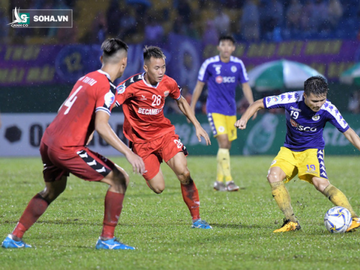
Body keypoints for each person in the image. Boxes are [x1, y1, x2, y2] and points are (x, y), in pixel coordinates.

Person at [1, 38, 145, 249]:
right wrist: (128, 153)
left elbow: (65, 108)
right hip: (66, 148)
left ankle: (14, 237)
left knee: (53, 190)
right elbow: (103, 125)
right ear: (124, 63)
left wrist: (84, 133)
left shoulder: (86, 78)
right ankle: (107, 240)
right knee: (119, 179)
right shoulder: (107, 87)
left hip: (48, 142)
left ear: (101, 58)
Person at [235, 76, 360, 232]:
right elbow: (258, 103)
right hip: (289, 149)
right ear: (305, 95)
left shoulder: (328, 108)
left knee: (320, 184)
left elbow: (349, 133)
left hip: (312, 151)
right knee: (273, 177)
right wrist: (244, 119)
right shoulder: (290, 99)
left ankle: (354, 218)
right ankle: (291, 222)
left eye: (322, 100)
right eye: (315, 101)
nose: (319, 104)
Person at [115, 46, 212, 229]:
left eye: (163, 67)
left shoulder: (168, 83)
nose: (160, 72)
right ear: (145, 68)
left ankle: (197, 219)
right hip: (141, 143)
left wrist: (197, 125)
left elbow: (181, 100)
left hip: (164, 134)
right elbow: (107, 105)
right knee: (158, 188)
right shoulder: (130, 86)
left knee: (184, 172)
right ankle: (151, 167)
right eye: (156, 68)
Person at [190, 35, 256, 192]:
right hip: (214, 110)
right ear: (218, 47)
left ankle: (219, 182)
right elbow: (199, 85)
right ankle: (229, 181)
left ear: (233, 48)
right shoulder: (210, 64)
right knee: (224, 142)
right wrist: (191, 107)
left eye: (229, 45)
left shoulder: (238, 64)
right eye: (223, 45)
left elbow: (245, 86)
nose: (226, 48)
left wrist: (252, 106)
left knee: (226, 145)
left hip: (231, 111)